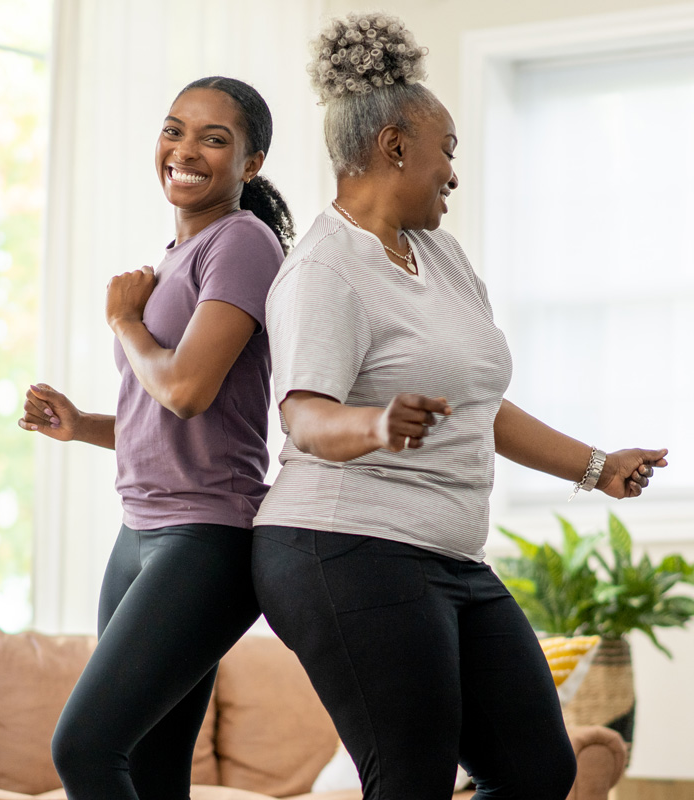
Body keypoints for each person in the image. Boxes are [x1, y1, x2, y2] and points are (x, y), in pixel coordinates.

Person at [251, 13, 667, 800]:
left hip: (449, 558)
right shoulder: (323, 269)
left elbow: (482, 404)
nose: (452, 172)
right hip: (339, 546)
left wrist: (597, 467)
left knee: (539, 770)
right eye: (446, 151)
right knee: (408, 777)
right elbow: (303, 416)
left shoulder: (440, 254)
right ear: (394, 146)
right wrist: (376, 424)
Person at [18, 76, 293, 800]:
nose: (185, 149)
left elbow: (185, 389)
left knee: (85, 747)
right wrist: (81, 427)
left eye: (214, 138)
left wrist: (124, 323)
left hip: (208, 538)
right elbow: (167, 414)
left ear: (251, 163)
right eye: (174, 130)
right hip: (140, 531)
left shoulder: (242, 243)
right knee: (151, 771)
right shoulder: (175, 255)